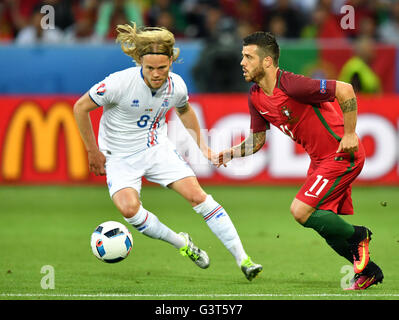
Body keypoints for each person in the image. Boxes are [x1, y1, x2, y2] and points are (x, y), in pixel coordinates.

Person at [73, 22, 262, 281]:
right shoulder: (118, 83)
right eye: (150, 68)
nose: (156, 73)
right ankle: (181, 243)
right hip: (119, 157)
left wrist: (204, 148)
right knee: (129, 210)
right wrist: (92, 151)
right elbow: (80, 107)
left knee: (198, 196)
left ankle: (244, 260)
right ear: (140, 62)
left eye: (162, 67)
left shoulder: (176, 86)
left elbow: (184, 110)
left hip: (156, 150)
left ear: (171, 62)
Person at [216, 31, 384, 290]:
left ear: (268, 62)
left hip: (341, 154)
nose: (242, 62)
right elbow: (257, 141)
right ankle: (368, 271)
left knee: (301, 210)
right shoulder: (256, 96)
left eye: (249, 57)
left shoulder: (292, 85)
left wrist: (350, 134)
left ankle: (359, 235)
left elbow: (345, 89)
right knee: (325, 224)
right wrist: (230, 153)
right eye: (243, 56)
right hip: (320, 161)